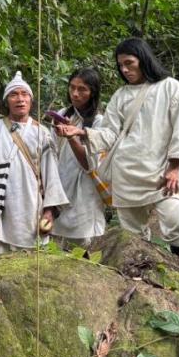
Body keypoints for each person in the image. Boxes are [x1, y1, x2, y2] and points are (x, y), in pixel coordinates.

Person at [57, 38, 179, 254]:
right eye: (121, 65)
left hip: (161, 171)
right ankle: (141, 274)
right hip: (125, 173)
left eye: (129, 63)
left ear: (143, 59)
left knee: (175, 222)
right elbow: (109, 133)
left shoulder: (170, 87)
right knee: (133, 234)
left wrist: (175, 166)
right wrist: (81, 132)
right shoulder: (121, 95)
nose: (125, 69)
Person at [0, 72, 68, 259]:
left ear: (30, 99)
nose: (20, 99)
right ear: (7, 101)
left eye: (24, 94)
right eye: (14, 94)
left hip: (31, 208)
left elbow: (51, 177)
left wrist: (49, 211)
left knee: (32, 262)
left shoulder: (42, 133)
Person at [51, 68, 107, 247]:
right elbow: (52, 153)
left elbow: (88, 164)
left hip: (86, 193)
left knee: (85, 244)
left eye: (82, 89)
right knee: (57, 244)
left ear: (93, 92)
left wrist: (72, 137)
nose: (75, 93)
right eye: (72, 87)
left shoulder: (99, 122)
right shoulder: (63, 114)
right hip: (61, 188)